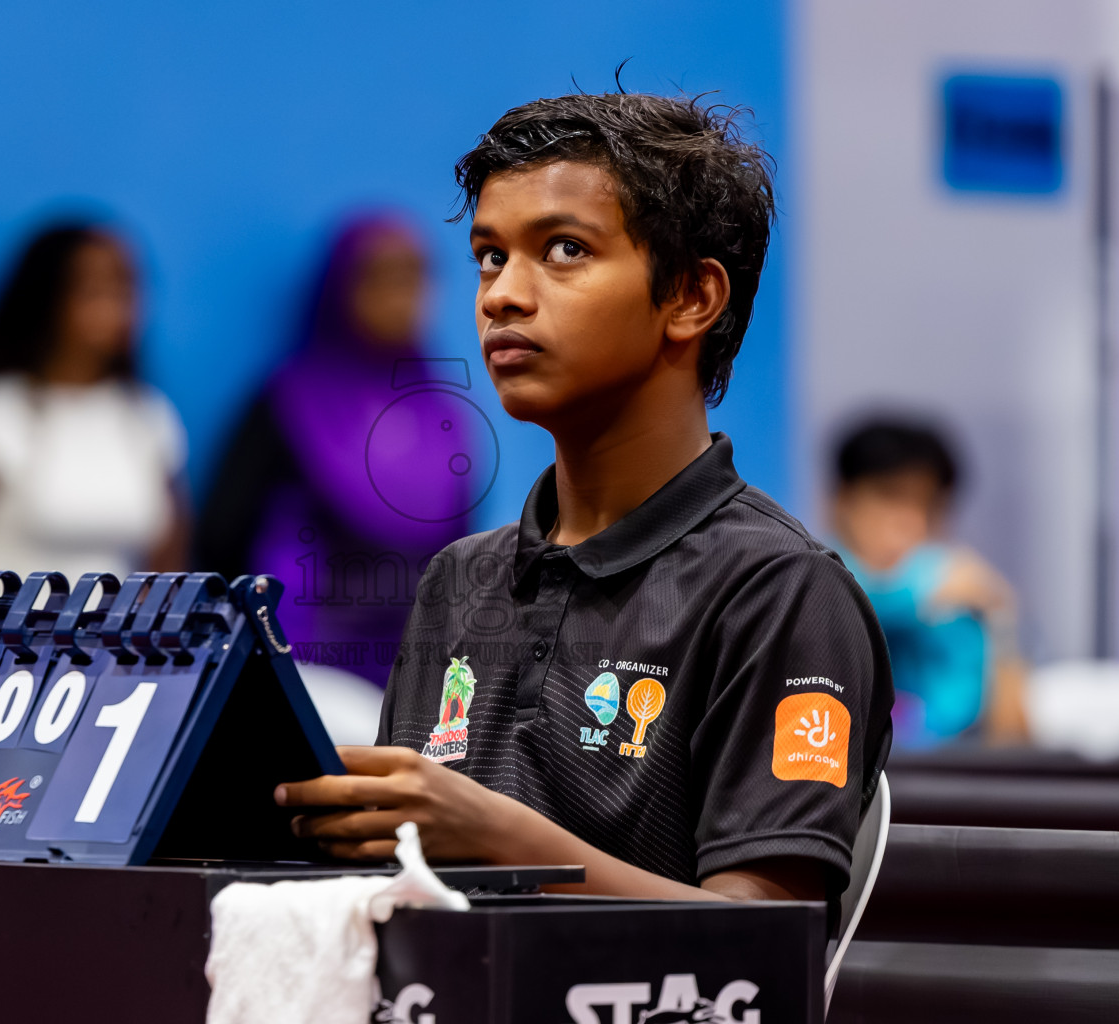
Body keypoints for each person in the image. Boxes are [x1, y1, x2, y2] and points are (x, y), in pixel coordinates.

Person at [275, 92, 894, 909]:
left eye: (563, 249)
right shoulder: (457, 578)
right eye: (490, 256)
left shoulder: (781, 591)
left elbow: (768, 942)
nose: (501, 296)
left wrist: (505, 841)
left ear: (690, 299)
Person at [196, 215, 473, 687]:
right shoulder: (288, 402)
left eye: (414, 277)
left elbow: (460, 550)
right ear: (340, 286)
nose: (400, 296)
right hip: (302, 665)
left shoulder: (440, 412)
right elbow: (224, 537)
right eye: (381, 277)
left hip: (413, 668)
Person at [0, 223, 189, 584]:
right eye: (94, 290)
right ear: (47, 296)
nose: (117, 306)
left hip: (114, 638)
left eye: (127, 287)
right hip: (5, 637)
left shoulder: (149, 415)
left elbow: (171, 561)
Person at [829, 419, 1028, 747]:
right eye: (890, 497)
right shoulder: (806, 576)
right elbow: (852, 599)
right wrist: (927, 592)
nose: (911, 522)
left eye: (928, 504)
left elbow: (1011, 740)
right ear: (841, 501)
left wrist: (1000, 623)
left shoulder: (963, 607)